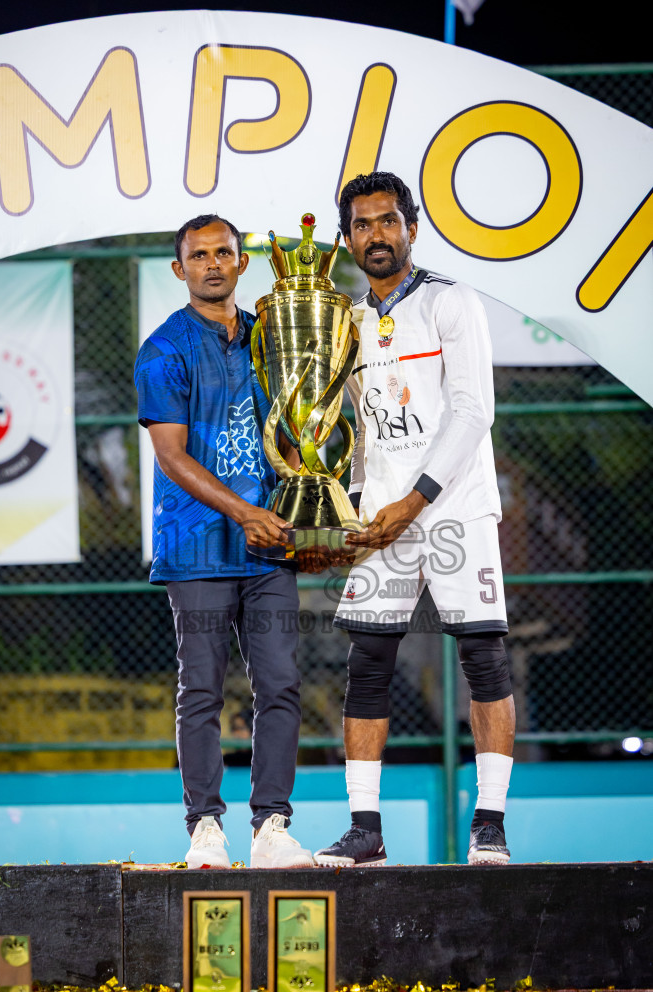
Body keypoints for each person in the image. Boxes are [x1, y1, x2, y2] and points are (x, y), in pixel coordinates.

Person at [309, 172, 515, 867]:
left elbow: (471, 412)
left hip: (452, 508)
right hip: (382, 517)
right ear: (345, 241)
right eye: (362, 225)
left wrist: (413, 500)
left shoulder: (450, 303)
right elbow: (353, 431)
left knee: (483, 656)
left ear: (411, 227)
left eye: (387, 221)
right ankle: (364, 829)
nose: (376, 234)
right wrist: (349, 509)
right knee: (367, 663)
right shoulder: (348, 322)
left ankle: (489, 824)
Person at [134, 213, 313, 869]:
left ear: (242, 264)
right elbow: (172, 458)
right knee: (202, 690)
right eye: (199, 255)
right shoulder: (163, 350)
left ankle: (272, 826)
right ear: (180, 270)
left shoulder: (273, 341)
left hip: (267, 548)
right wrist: (245, 512)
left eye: (225, 253)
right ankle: (204, 827)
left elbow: (293, 431)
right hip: (198, 547)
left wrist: (311, 487)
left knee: (280, 685)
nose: (213, 263)